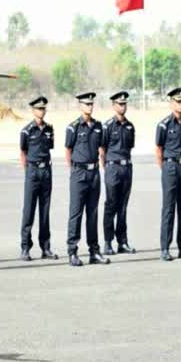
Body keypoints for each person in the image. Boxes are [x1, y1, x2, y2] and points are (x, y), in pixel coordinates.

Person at [65, 92, 110, 267]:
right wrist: (74, 170)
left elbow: (101, 148)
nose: (89, 107)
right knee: (76, 213)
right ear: (80, 106)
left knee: (92, 213)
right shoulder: (73, 127)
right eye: (86, 104)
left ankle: (94, 251)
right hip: (79, 173)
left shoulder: (98, 126)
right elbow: (68, 151)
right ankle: (72, 252)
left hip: (94, 174)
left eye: (91, 104)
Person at [156, 87, 181, 261]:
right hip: (170, 167)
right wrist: (165, 168)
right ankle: (165, 247)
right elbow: (159, 150)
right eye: (178, 101)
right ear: (171, 103)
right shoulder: (164, 124)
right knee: (168, 208)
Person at [19, 96, 58, 261]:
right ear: (33, 110)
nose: (41, 111)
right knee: (29, 211)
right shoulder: (27, 130)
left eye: (43, 109)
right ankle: (25, 247)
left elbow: (50, 148)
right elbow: (23, 152)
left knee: (45, 211)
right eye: (39, 109)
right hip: (33, 172)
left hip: (46, 171)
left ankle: (45, 247)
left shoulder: (49, 129)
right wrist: (28, 171)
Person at [101, 91, 137, 256]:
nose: (122, 106)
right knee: (111, 205)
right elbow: (102, 149)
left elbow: (129, 148)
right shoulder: (107, 126)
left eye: (124, 104)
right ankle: (108, 242)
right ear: (114, 106)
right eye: (119, 104)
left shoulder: (130, 126)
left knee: (123, 207)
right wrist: (107, 168)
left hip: (126, 168)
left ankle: (122, 241)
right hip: (112, 168)